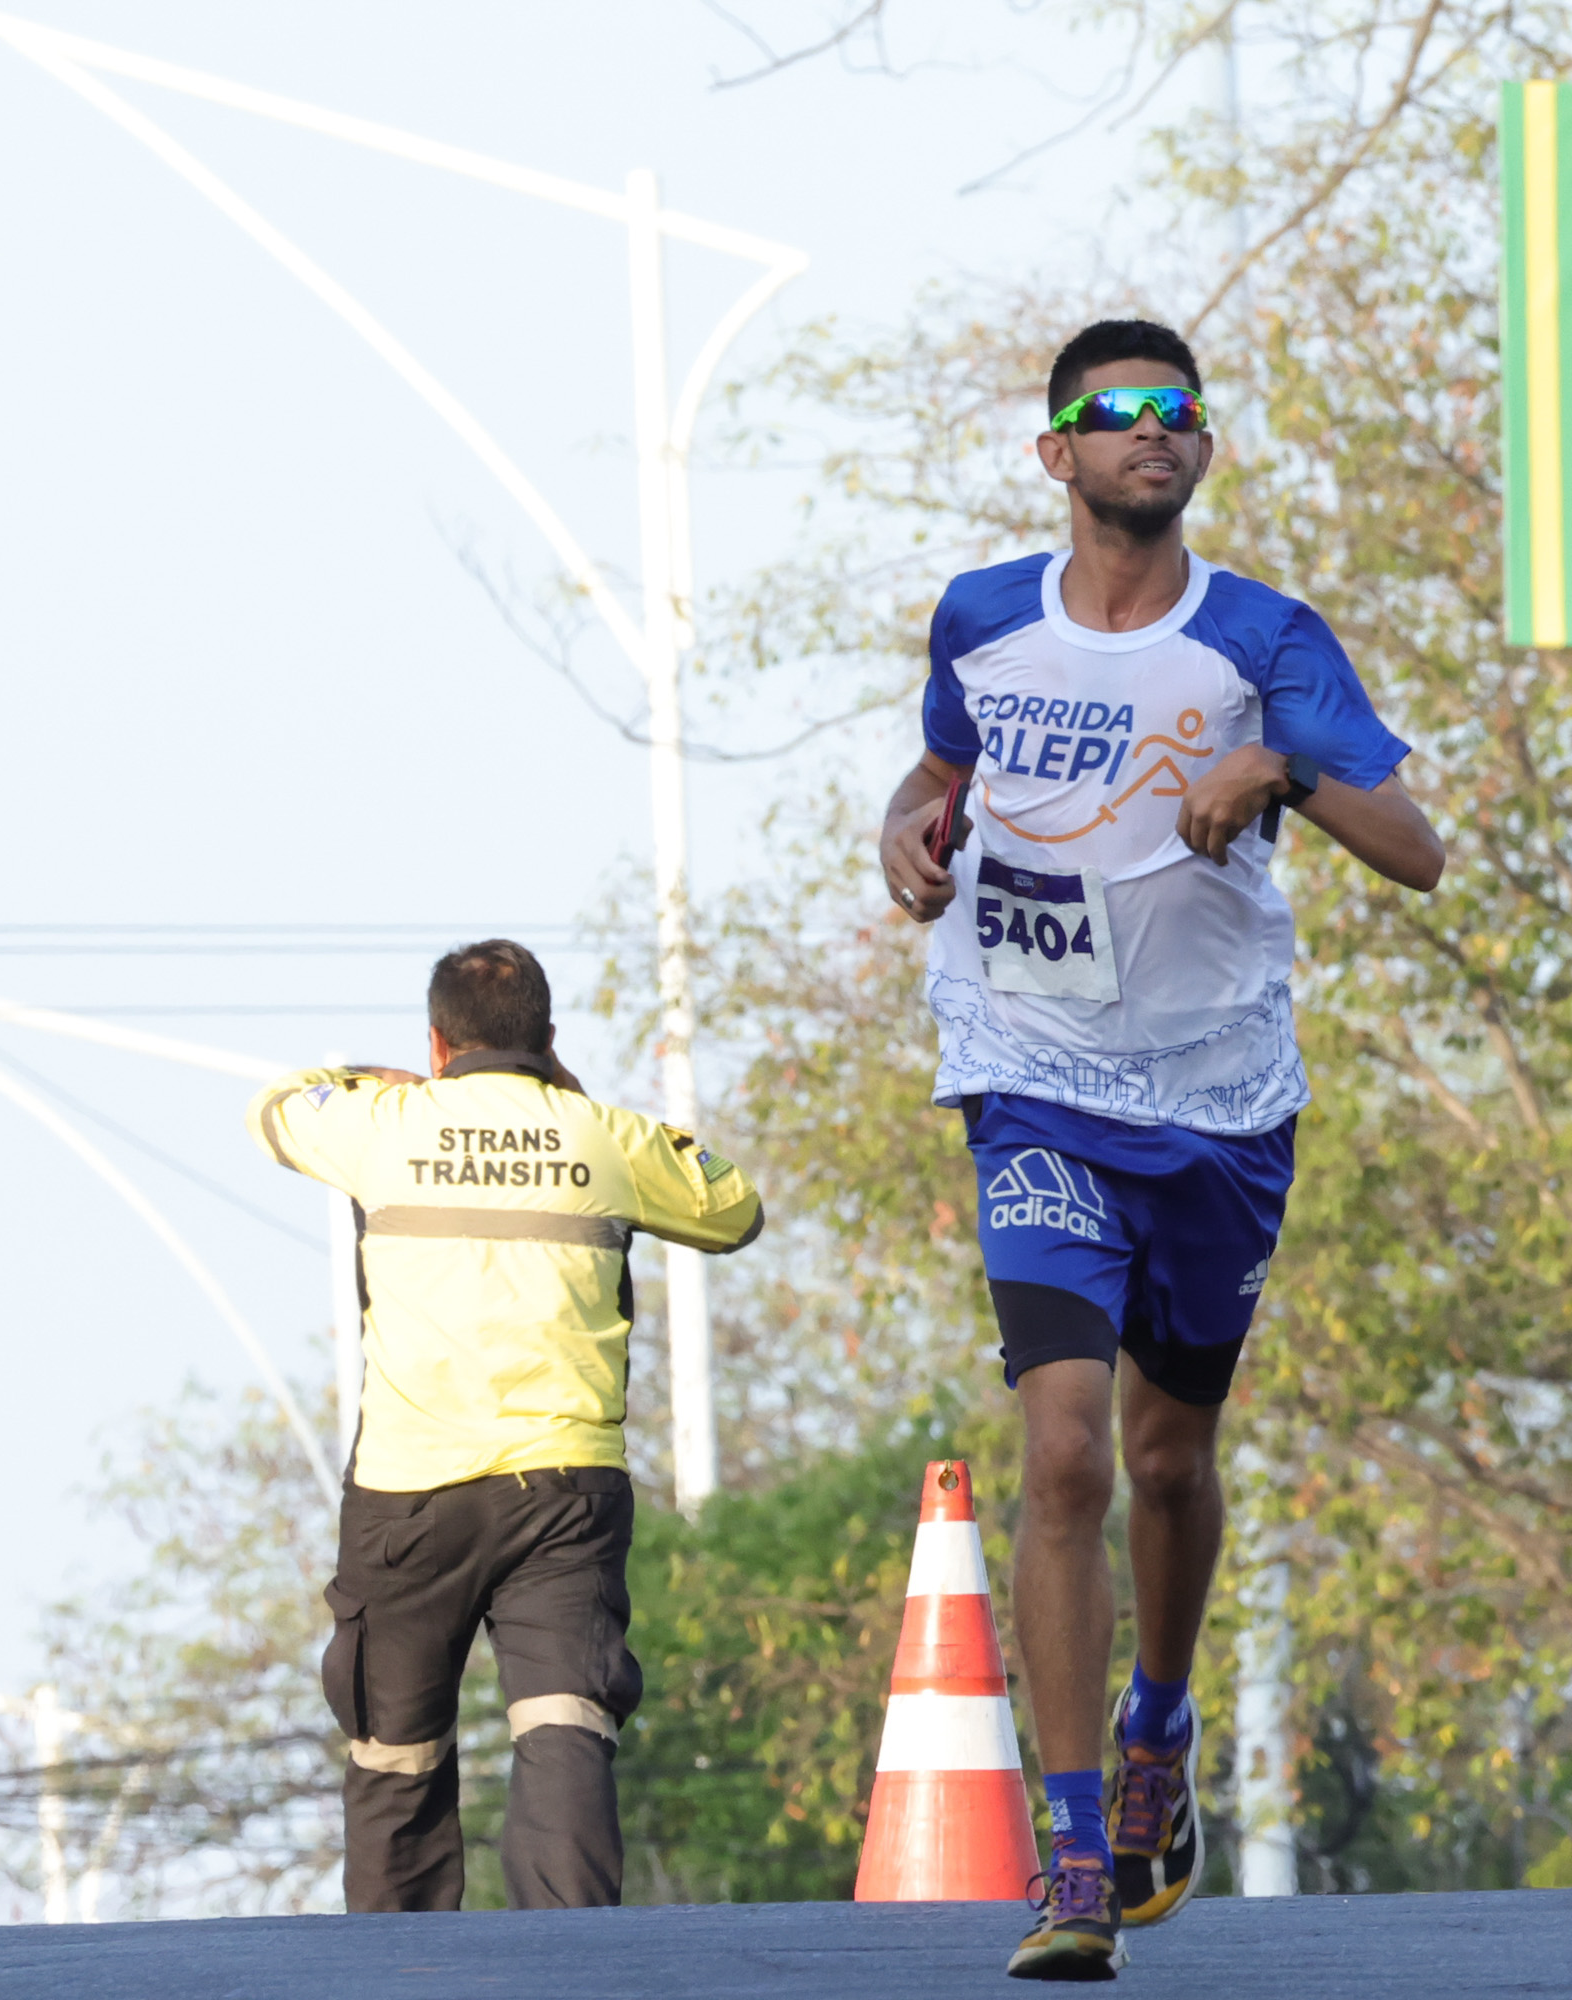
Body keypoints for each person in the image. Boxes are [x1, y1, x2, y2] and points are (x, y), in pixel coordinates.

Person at [879, 318, 1444, 1978]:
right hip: (1031, 1074)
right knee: (1060, 1454)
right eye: (1115, 415)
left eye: (1177, 415)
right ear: (1056, 453)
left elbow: (1414, 848)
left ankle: (1159, 1730)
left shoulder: (1264, 636)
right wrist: (908, 827)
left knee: (1165, 1459)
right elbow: (941, 761)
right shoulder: (984, 618)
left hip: (1214, 1105)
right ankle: (1070, 1861)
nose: (1151, 434)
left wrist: (1279, 766)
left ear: (1201, 451)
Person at [244, 938, 764, 1913]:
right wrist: (570, 1094)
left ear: (437, 1043)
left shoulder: (384, 1123)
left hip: (408, 1492)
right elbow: (733, 1206)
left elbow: (276, 1107)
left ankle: (401, 1974)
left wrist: (377, 1078)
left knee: (394, 1748)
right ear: (551, 1039)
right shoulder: (600, 1134)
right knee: (566, 1725)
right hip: (563, 1489)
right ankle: (568, 1972)